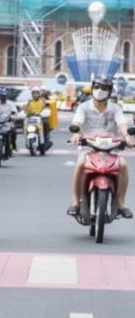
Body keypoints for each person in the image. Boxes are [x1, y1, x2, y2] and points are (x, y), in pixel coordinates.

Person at [67, 75, 134, 218]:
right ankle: (75, 201)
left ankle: (121, 203)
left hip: (111, 148)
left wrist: (127, 136)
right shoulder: (83, 107)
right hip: (88, 146)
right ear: (92, 88)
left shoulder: (115, 108)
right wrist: (76, 133)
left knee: (123, 165)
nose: (99, 90)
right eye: (97, 87)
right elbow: (77, 122)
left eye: (104, 88)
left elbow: (122, 123)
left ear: (109, 91)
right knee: (80, 163)